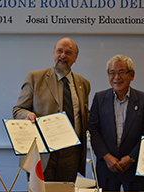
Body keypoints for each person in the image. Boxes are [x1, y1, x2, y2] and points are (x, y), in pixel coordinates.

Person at [13, 37, 90, 182]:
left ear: (75, 57)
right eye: (59, 51)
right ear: (53, 53)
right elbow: (18, 110)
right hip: (42, 152)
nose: (63, 55)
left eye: (68, 52)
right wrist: (28, 114)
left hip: (71, 154)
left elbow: (84, 115)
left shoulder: (83, 84)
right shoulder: (35, 78)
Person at [88, 54, 144, 191]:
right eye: (112, 73)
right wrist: (107, 157)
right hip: (106, 167)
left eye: (121, 72)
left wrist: (131, 158)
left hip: (134, 168)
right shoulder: (100, 98)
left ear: (132, 75)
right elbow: (93, 130)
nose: (116, 77)